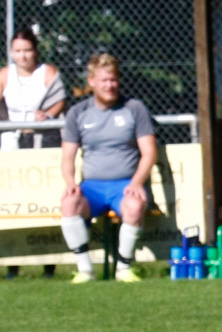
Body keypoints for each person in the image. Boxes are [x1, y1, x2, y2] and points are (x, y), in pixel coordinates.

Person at [59, 53, 157, 283]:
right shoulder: (78, 113)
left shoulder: (134, 108)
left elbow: (149, 152)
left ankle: (123, 269)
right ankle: (85, 271)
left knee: (134, 206)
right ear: (91, 81)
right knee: (68, 202)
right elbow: (67, 157)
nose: (110, 85)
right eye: (104, 80)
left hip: (124, 185)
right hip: (91, 187)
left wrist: (136, 183)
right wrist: (71, 183)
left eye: (113, 79)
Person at [1, 27, 67, 279]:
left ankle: (49, 263)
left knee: (45, 199)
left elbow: (59, 99)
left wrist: (48, 114)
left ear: (35, 50)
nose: (23, 56)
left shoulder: (47, 73)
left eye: (27, 50)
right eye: (17, 51)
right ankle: (12, 263)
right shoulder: (6, 75)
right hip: (13, 143)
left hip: (44, 140)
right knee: (14, 201)